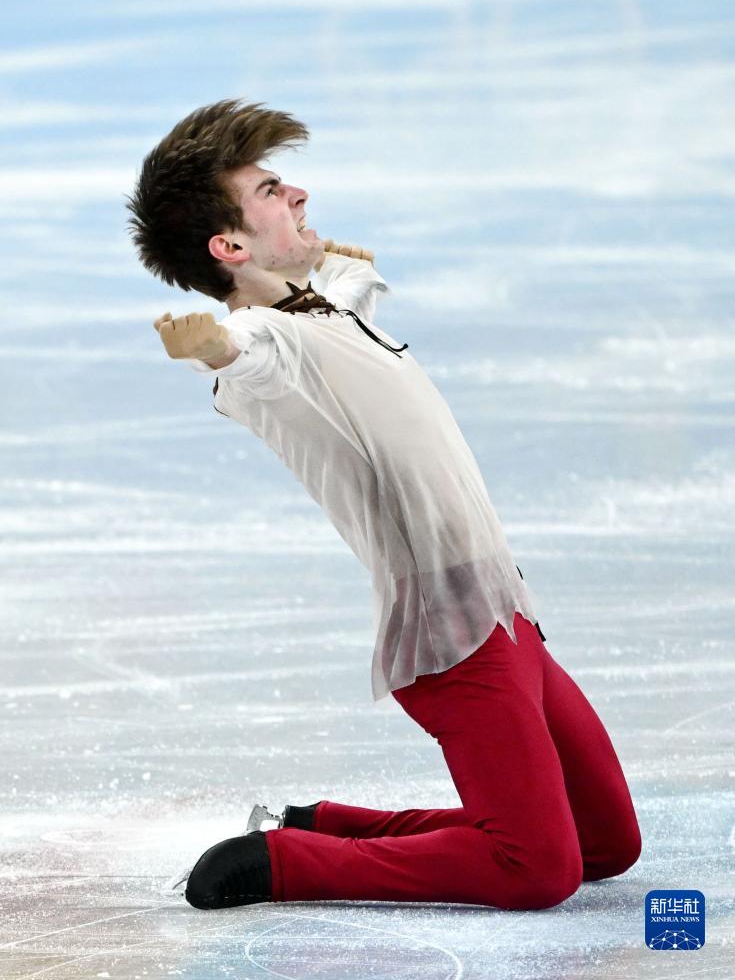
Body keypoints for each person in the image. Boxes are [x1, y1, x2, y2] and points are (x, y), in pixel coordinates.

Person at [127, 99, 642, 912]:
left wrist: (323, 256)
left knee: (606, 843)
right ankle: (283, 859)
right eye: (269, 191)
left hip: (507, 611)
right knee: (537, 868)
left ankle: (325, 822)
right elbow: (245, 356)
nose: (297, 194)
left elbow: (341, 280)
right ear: (228, 246)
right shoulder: (271, 347)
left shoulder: (325, 308)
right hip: (451, 639)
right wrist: (213, 347)